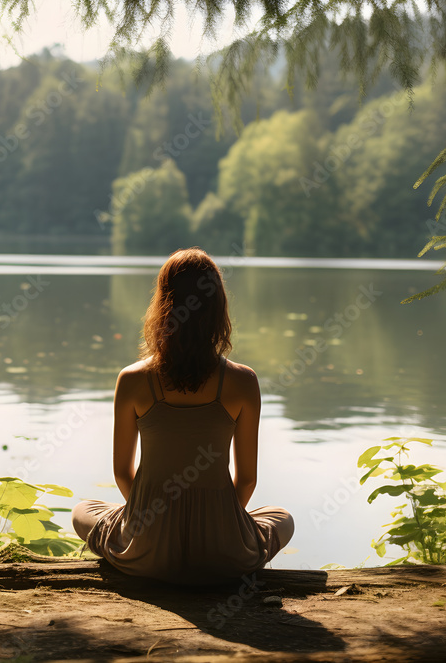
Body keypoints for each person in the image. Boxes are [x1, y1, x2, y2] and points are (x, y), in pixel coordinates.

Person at [71, 247, 294, 584]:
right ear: (218, 309)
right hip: (222, 558)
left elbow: (121, 472)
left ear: (163, 305)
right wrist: (219, 522)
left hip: (147, 555)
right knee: (282, 517)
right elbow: (247, 480)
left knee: (83, 510)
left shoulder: (132, 380)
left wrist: (154, 517)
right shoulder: (243, 382)